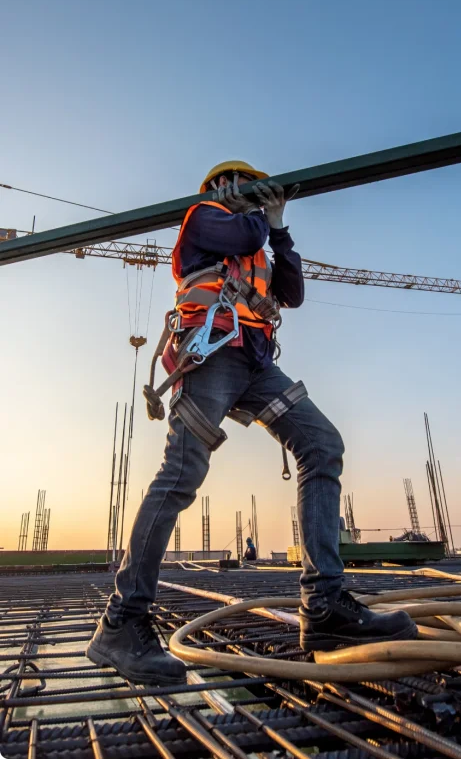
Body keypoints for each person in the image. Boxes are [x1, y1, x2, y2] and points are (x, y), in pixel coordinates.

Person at [87, 161, 417, 685]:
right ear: (220, 187)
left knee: (320, 444)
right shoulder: (204, 218)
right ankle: (122, 623)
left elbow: (293, 292)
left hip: (256, 363)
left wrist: (281, 227)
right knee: (180, 477)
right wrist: (262, 214)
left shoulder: (260, 239)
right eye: (240, 183)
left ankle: (325, 607)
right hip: (211, 354)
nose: (250, 195)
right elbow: (244, 230)